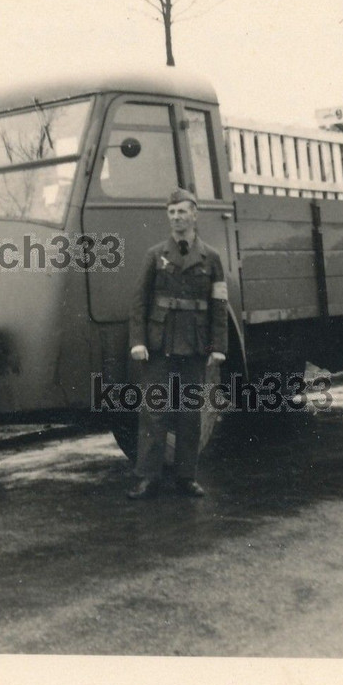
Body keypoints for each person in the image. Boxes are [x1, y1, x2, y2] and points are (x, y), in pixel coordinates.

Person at [127, 188, 228, 500]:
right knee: (154, 411)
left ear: (194, 215)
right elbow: (139, 302)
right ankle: (148, 478)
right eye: (171, 212)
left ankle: (187, 477)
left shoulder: (211, 258)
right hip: (160, 344)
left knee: (189, 412)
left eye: (182, 212)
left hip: (195, 346)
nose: (176, 217)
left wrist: (218, 346)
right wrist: (138, 341)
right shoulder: (155, 255)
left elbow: (219, 306)